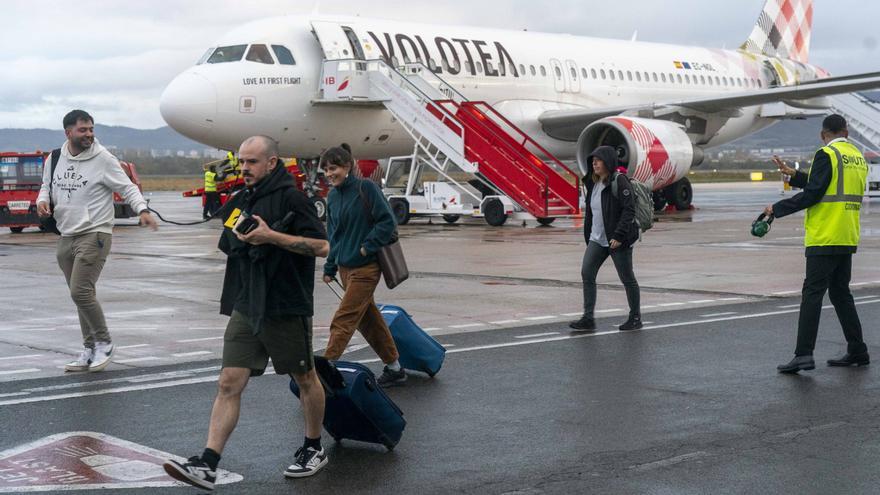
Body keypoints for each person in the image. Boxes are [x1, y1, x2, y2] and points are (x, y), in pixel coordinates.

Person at [163, 136, 331, 490]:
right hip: (248, 303)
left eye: (252, 162)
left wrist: (272, 237)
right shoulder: (240, 200)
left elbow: (322, 246)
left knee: (305, 378)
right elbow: (228, 242)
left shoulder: (294, 199)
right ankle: (208, 462)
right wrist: (240, 237)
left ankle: (314, 446)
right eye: (241, 162)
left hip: (285, 304)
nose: (244, 168)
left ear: (272, 163)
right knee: (229, 381)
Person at [36, 109, 158, 373]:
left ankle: (104, 343)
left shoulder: (103, 158)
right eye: (83, 130)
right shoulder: (54, 158)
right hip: (66, 234)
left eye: (91, 129)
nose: (89, 134)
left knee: (80, 291)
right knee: (81, 295)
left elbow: (127, 187)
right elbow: (46, 186)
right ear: (68, 132)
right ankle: (89, 348)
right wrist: (42, 201)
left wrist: (142, 210)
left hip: (95, 233)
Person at [768, 114, 870, 373]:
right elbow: (828, 185)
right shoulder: (856, 156)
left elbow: (814, 193)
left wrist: (776, 209)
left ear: (823, 134)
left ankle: (803, 354)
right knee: (840, 293)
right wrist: (794, 175)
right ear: (846, 132)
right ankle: (858, 350)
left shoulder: (826, 153)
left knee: (812, 294)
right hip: (847, 233)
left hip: (825, 234)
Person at [320, 145, 407, 387]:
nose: (329, 174)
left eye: (333, 168)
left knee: (345, 316)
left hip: (366, 268)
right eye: (326, 170)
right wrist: (329, 267)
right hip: (344, 269)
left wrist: (367, 247)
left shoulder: (365, 188)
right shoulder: (332, 197)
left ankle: (326, 366)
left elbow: (387, 222)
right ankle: (395, 368)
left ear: (347, 166)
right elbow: (334, 235)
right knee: (368, 321)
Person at [569, 145, 641, 332]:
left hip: (617, 240)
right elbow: (591, 213)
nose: (594, 164)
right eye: (593, 161)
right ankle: (588, 318)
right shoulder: (592, 184)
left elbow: (629, 210)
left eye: (598, 160)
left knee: (627, 278)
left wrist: (619, 235)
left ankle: (635, 317)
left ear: (608, 162)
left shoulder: (619, 181)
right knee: (587, 273)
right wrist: (588, 236)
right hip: (597, 239)